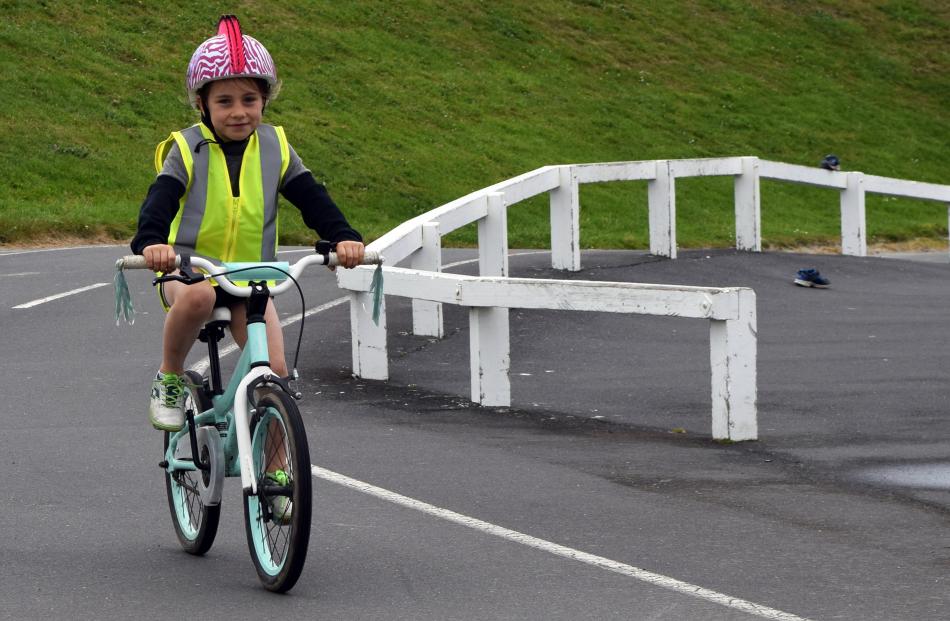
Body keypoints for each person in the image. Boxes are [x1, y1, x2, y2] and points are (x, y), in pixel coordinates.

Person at [131, 15, 365, 433]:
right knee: (199, 297)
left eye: (249, 100)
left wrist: (343, 236)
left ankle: (277, 474)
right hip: (189, 268)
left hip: (250, 276)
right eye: (224, 102)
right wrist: (152, 242)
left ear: (264, 102)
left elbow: (313, 198)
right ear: (202, 104)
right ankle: (169, 374)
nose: (238, 112)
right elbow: (161, 199)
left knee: (275, 377)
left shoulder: (276, 146)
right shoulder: (186, 148)